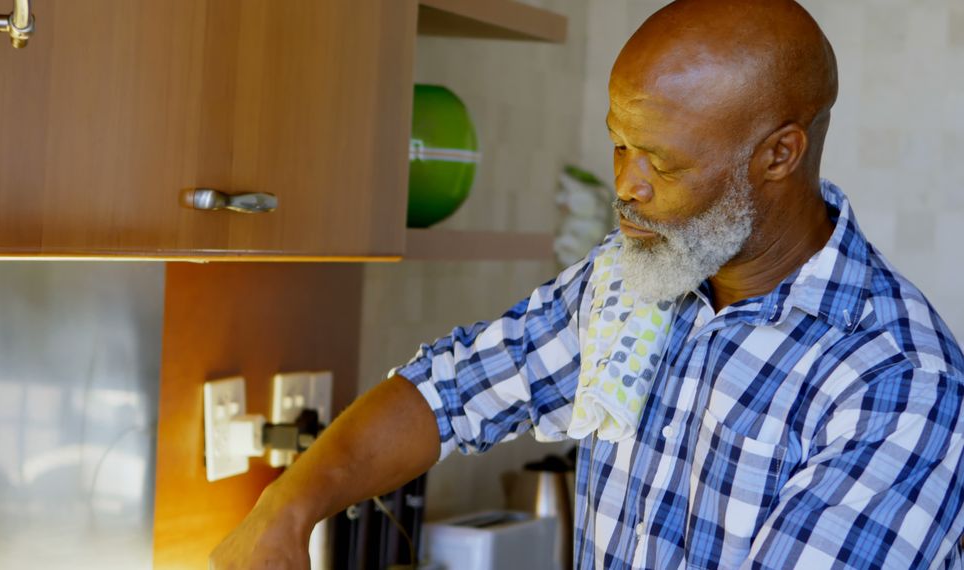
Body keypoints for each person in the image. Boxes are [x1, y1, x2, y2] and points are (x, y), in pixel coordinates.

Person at [210, 0, 964, 567]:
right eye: (618, 143)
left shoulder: (898, 387)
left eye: (661, 162)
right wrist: (286, 507)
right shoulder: (636, 274)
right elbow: (452, 389)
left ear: (778, 156)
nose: (626, 186)